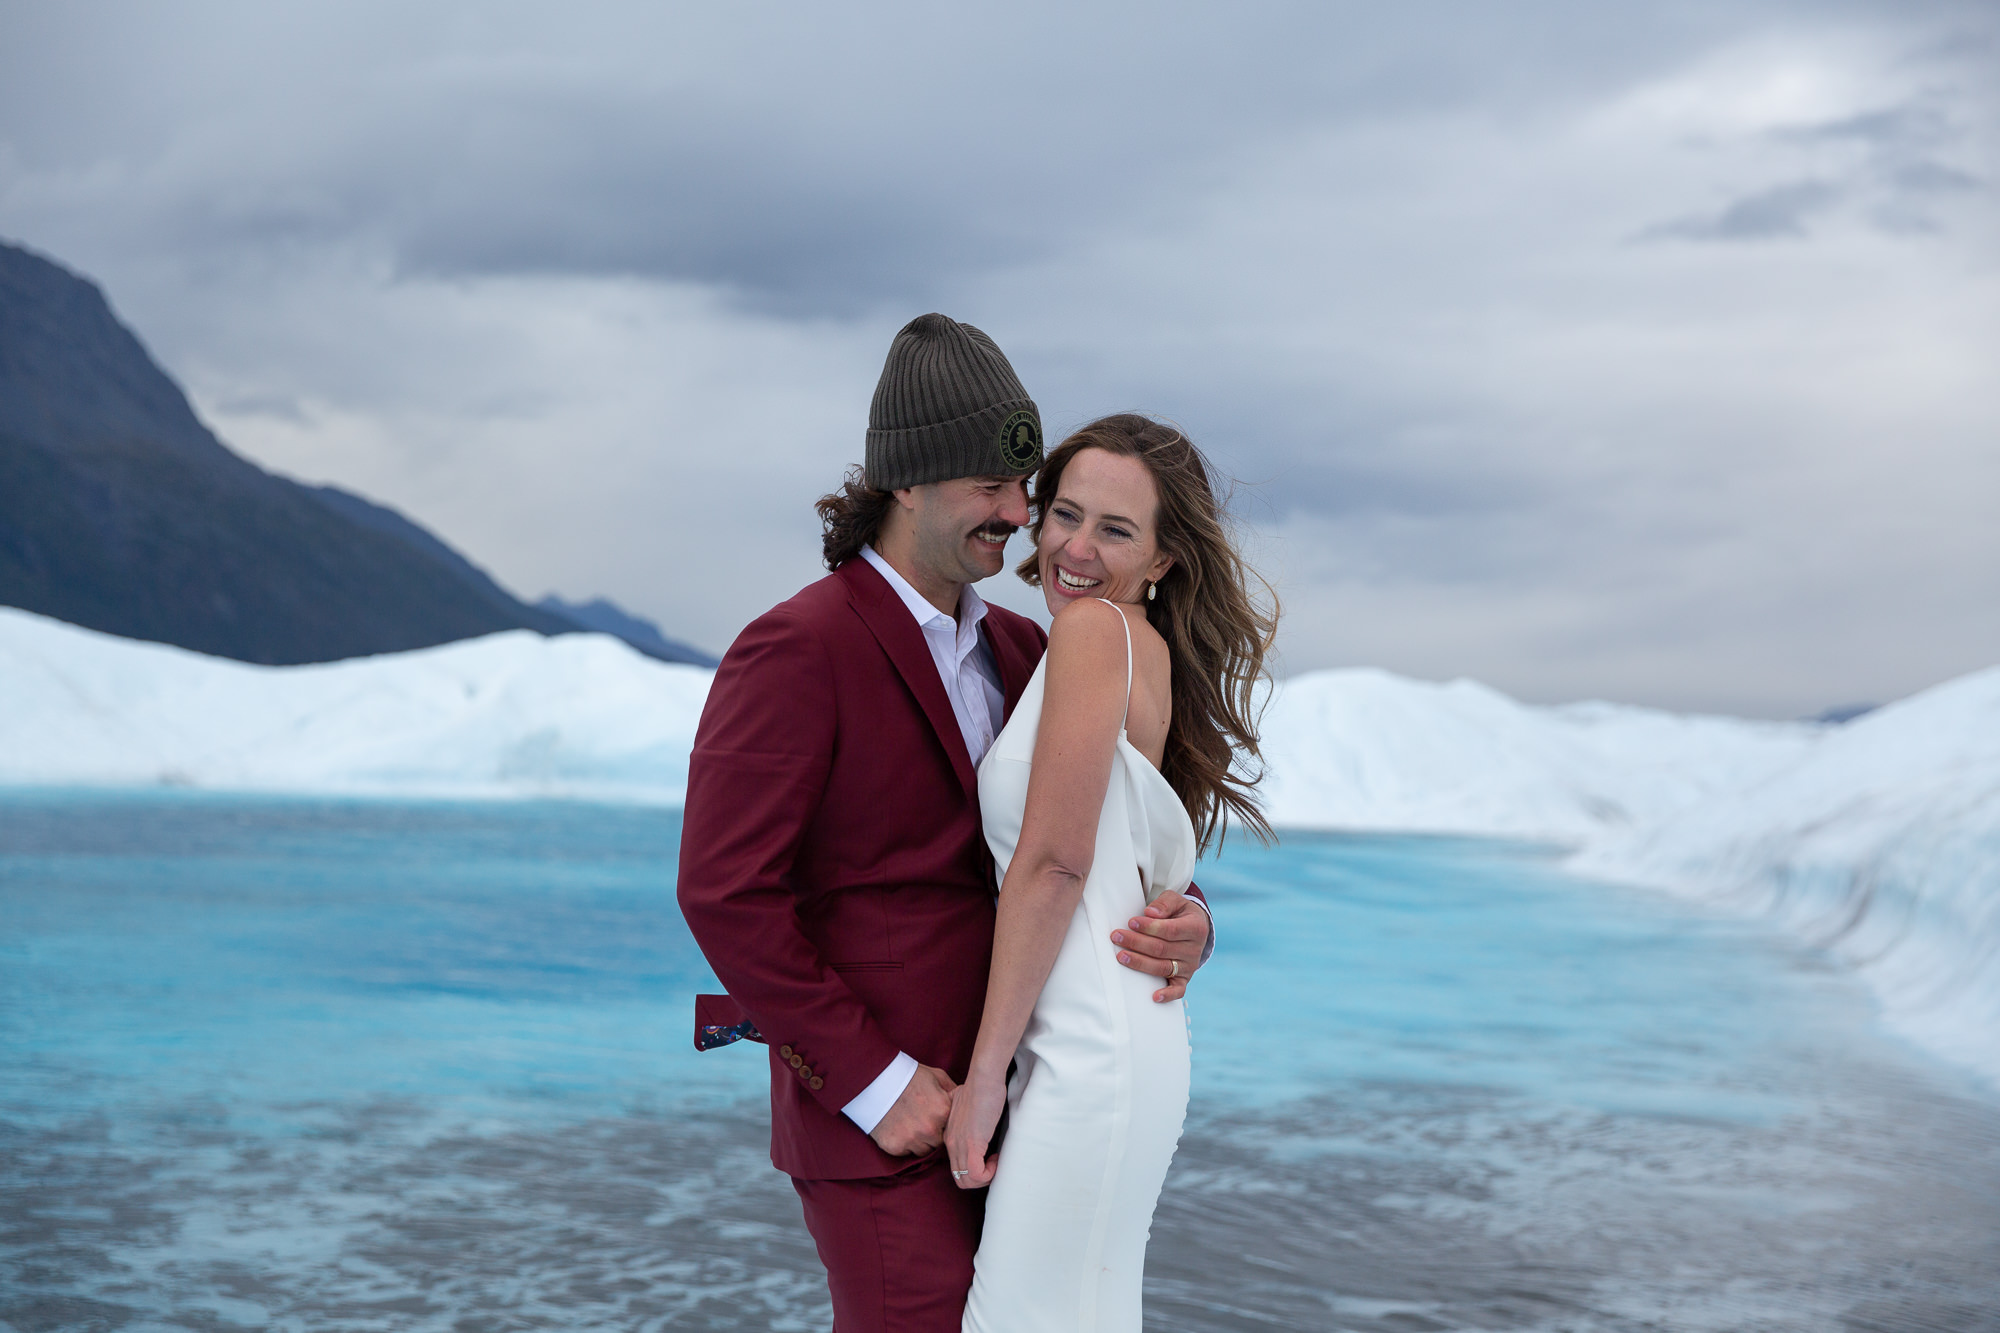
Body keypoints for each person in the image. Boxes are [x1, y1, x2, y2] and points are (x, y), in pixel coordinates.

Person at [676, 316, 1215, 1333]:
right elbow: (723, 892)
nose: (1020, 516)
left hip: (1025, 1095)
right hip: (884, 1117)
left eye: (1027, 489)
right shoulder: (796, 648)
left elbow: (1090, 835)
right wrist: (873, 1085)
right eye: (993, 486)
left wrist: (1187, 917)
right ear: (906, 479)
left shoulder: (1029, 648)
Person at [946, 414, 1276, 1332]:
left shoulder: (1093, 634)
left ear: (1165, 558)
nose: (1075, 547)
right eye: (1064, 514)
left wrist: (983, 1079)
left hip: (1088, 1055)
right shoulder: (1136, 648)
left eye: (1116, 530)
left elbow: (1055, 866)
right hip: (1116, 1044)